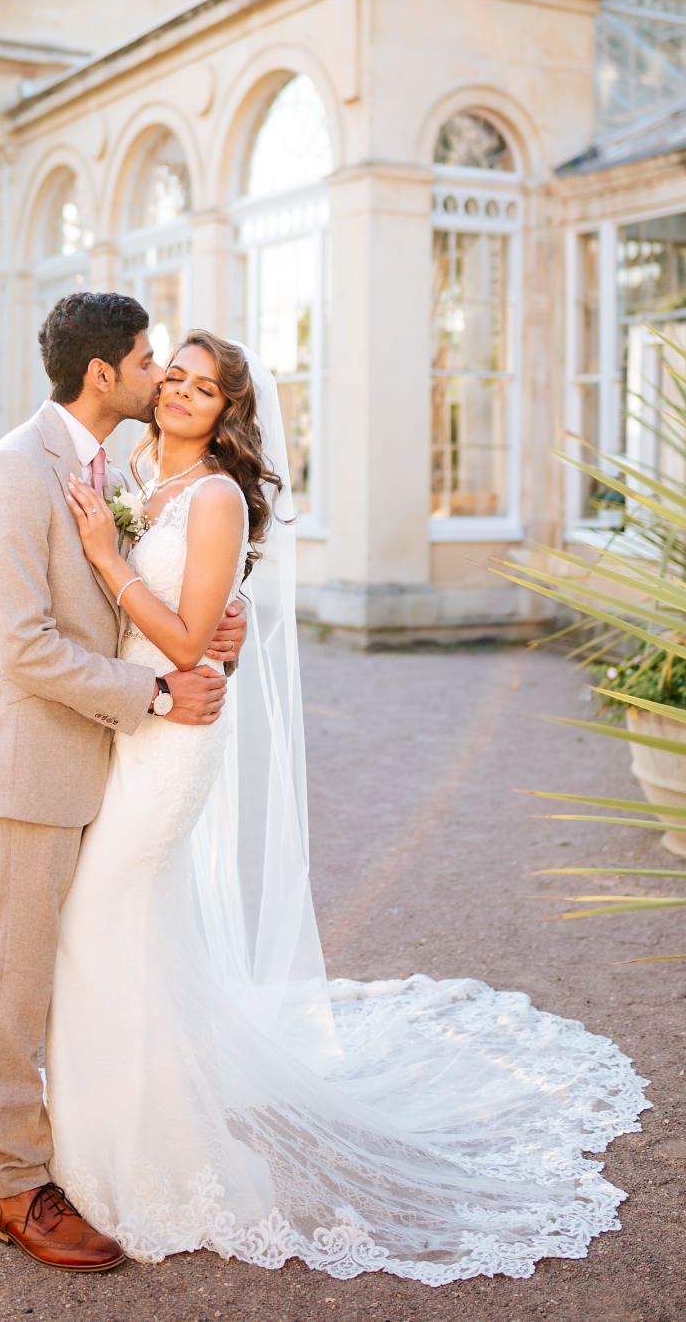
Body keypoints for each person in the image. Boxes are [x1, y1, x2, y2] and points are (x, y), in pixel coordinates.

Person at [48, 328, 652, 1284]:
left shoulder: (213, 500)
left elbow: (191, 635)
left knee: (100, 912)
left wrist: (106, 556)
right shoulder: (132, 473)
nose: (180, 395)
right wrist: (114, 555)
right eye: (175, 378)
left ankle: (141, 1150)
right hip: (127, 720)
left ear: (226, 416)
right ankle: (105, 1113)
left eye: (205, 391)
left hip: (173, 736)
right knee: (133, 921)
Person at [0, 293, 248, 1273]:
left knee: (17, 961)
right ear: (104, 373)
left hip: (81, 755)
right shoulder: (16, 471)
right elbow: (23, 649)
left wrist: (213, 626)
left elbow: (118, 596)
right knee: (13, 969)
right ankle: (21, 1186)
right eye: (151, 359)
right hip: (28, 756)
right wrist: (156, 689)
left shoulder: (101, 466)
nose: (163, 377)